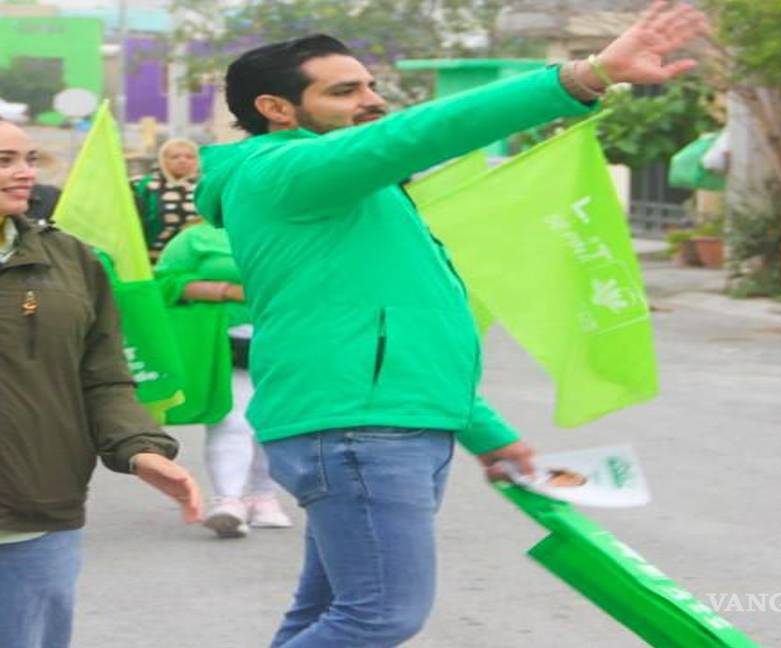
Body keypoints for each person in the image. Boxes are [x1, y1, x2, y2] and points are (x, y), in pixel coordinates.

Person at [195, 2, 708, 645]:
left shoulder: (350, 192)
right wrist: (588, 75)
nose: (372, 100)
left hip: (383, 423)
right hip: (359, 430)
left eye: (371, 85)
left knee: (329, 614)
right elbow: (419, 134)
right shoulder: (283, 173)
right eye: (345, 91)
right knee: (378, 616)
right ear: (276, 108)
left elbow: (401, 331)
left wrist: (486, 432)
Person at [0, 120, 202, 648]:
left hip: (38, 511)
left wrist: (141, 448)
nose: (25, 173)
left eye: (29, 159)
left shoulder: (70, 259)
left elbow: (105, 375)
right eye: (5, 161)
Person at [155, 221, 292, 538]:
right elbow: (164, 284)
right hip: (223, 343)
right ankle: (228, 499)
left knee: (274, 421)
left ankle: (263, 496)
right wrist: (228, 291)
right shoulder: (196, 238)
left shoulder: (288, 227)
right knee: (232, 420)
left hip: (285, 338)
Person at [131, 137, 203, 263]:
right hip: (149, 258)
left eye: (189, 157)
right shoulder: (141, 185)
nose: (182, 161)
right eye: (175, 157)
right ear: (163, 160)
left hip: (192, 258)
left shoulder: (206, 188)